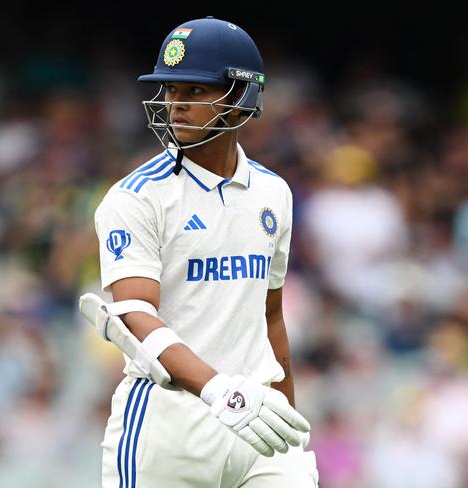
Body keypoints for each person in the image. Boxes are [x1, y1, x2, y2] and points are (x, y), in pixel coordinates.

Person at [83, 16, 319, 487]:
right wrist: (219, 391)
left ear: (240, 98)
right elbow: (134, 313)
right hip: (169, 429)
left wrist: (286, 416)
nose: (175, 105)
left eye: (194, 91)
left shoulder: (274, 194)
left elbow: (270, 315)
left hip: (256, 421)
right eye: (171, 91)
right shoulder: (136, 198)